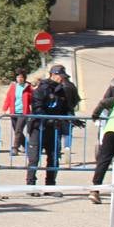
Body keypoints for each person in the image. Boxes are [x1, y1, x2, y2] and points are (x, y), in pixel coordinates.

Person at [26, 64, 80, 193]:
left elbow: (65, 108)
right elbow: (37, 107)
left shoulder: (62, 91)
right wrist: (47, 118)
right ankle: (30, 185)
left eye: (63, 77)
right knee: (34, 158)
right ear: (53, 75)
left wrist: (71, 118)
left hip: (54, 129)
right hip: (38, 128)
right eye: (60, 76)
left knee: (54, 157)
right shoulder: (41, 89)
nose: (62, 79)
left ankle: (50, 186)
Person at [0, 70, 33, 156]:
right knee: (17, 131)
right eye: (18, 77)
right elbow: (8, 97)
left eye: (21, 77)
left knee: (18, 130)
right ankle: (27, 146)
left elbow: (33, 99)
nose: (19, 79)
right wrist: (5, 108)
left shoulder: (28, 87)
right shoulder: (13, 86)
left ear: (24, 78)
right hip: (14, 112)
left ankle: (15, 148)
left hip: (24, 112)